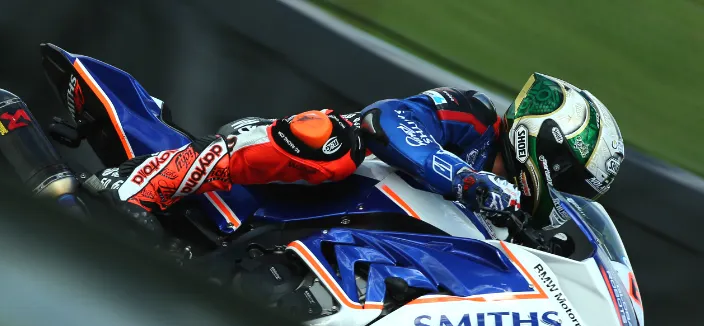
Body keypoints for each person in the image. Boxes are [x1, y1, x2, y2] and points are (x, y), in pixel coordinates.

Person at [67, 73, 626, 240]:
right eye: (571, 181)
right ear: (550, 150)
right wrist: (468, 180)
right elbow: (389, 120)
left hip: (370, 243)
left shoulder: (514, 221)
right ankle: (143, 181)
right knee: (332, 142)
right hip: (309, 180)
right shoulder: (475, 116)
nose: (567, 195)